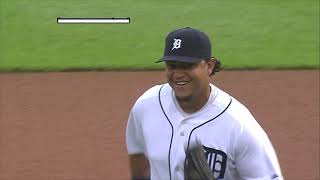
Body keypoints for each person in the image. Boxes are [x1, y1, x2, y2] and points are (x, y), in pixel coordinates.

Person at [126, 27, 283, 180]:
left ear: (209, 66)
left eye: (187, 66)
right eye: (172, 66)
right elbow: (138, 158)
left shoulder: (239, 126)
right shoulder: (146, 106)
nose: (178, 74)